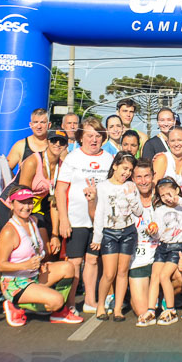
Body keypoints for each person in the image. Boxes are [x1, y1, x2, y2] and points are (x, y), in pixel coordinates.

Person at [0, 185, 80, 326]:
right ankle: (15, 306)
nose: (26, 206)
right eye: (21, 202)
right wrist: (25, 265)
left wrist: (41, 262)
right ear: (11, 205)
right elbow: (0, 265)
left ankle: (58, 312)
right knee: (57, 300)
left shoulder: (33, 221)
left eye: (29, 202)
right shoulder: (9, 231)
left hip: (33, 275)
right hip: (15, 282)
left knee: (68, 267)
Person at [54, 117, 112, 315]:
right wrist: (63, 219)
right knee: (75, 262)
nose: (93, 140)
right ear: (81, 137)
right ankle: (69, 304)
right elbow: (60, 190)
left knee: (93, 260)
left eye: (97, 136)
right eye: (89, 136)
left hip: (98, 221)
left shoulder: (108, 159)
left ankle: (90, 300)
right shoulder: (73, 157)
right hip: (76, 219)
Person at [142, 177, 182, 326]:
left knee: (164, 275)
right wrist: (153, 232)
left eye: (169, 194)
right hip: (162, 246)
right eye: (162, 196)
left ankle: (171, 310)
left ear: (176, 190)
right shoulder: (159, 210)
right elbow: (159, 234)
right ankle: (151, 310)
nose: (166, 199)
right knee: (155, 276)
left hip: (177, 248)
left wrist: (179, 200)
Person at [91, 152, 144, 321]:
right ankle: (101, 305)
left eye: (130, 170)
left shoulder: (131, 186)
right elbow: (99, 213)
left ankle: (118, 308)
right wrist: (97, 238)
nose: (127, 173)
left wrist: (131, 197)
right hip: (109, 233)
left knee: (123, 271)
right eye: (124, 168)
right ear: (115, 166)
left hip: (128, 231)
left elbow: (139, 211)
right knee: (109, 273)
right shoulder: (103, 187)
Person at [15, 129, 64, 254]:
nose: (57, 144)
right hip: (14, 204)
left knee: (48, 249)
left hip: (37, 208)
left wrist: (55, 234)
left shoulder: (63, 166)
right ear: (47, 142)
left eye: (62, 142)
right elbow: (22, 195)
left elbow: (55, 201)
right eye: (54, 140)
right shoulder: (33, 161)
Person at [128, 160, 165, 321]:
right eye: (139, 177)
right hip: (138, 259)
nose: (143, 181)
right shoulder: (128, 199)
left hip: (161, 257)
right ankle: (135, 296)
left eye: (147, 176)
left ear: (153, 176)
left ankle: (164, 296)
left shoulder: (162, 198)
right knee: (142, 312)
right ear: (133, 179)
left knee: (179, 275)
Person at [6, 108, 50, 174]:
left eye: (42, 122)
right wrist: (16, 181)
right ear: (30, 125)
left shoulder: (55, 146)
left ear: (49, 125)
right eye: (35, 122)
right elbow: (6, 170)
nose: (39, 126)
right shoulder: (20, 145)